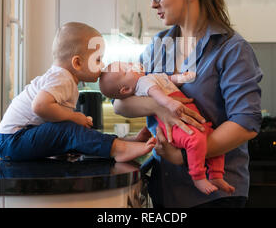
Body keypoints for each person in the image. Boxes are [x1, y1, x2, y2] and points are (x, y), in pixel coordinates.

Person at [112, 0, 263, 208]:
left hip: (215, 194)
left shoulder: (232, 49)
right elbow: (121, 102)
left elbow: (245, 123)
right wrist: (159, 105)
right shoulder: (159, 46)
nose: (153, 2)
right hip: (165, 189)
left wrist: (185, 156)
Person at [0, 22, 155, 162]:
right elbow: (39, 106)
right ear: (77, 63)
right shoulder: (62, 78)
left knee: (73, 132)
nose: (102, 64)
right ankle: (119, 149)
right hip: (12, 140)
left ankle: (121, 143)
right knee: (69, 129)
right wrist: (73, 116)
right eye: (98, 59)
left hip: (13, 139)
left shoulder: (62, 79)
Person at [99, 61, 235, 195]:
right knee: (196, 141)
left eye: (127, 64)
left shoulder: (149, 77)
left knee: (213, 138)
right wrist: (168, 102)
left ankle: (216, 175)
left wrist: (182, 78)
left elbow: (168, 80)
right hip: (176, 124)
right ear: (126, 89)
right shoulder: (142, 83)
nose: (131, 64)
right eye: (126, 70)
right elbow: (155, 92)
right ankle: (198, 177)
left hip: (190, 120)